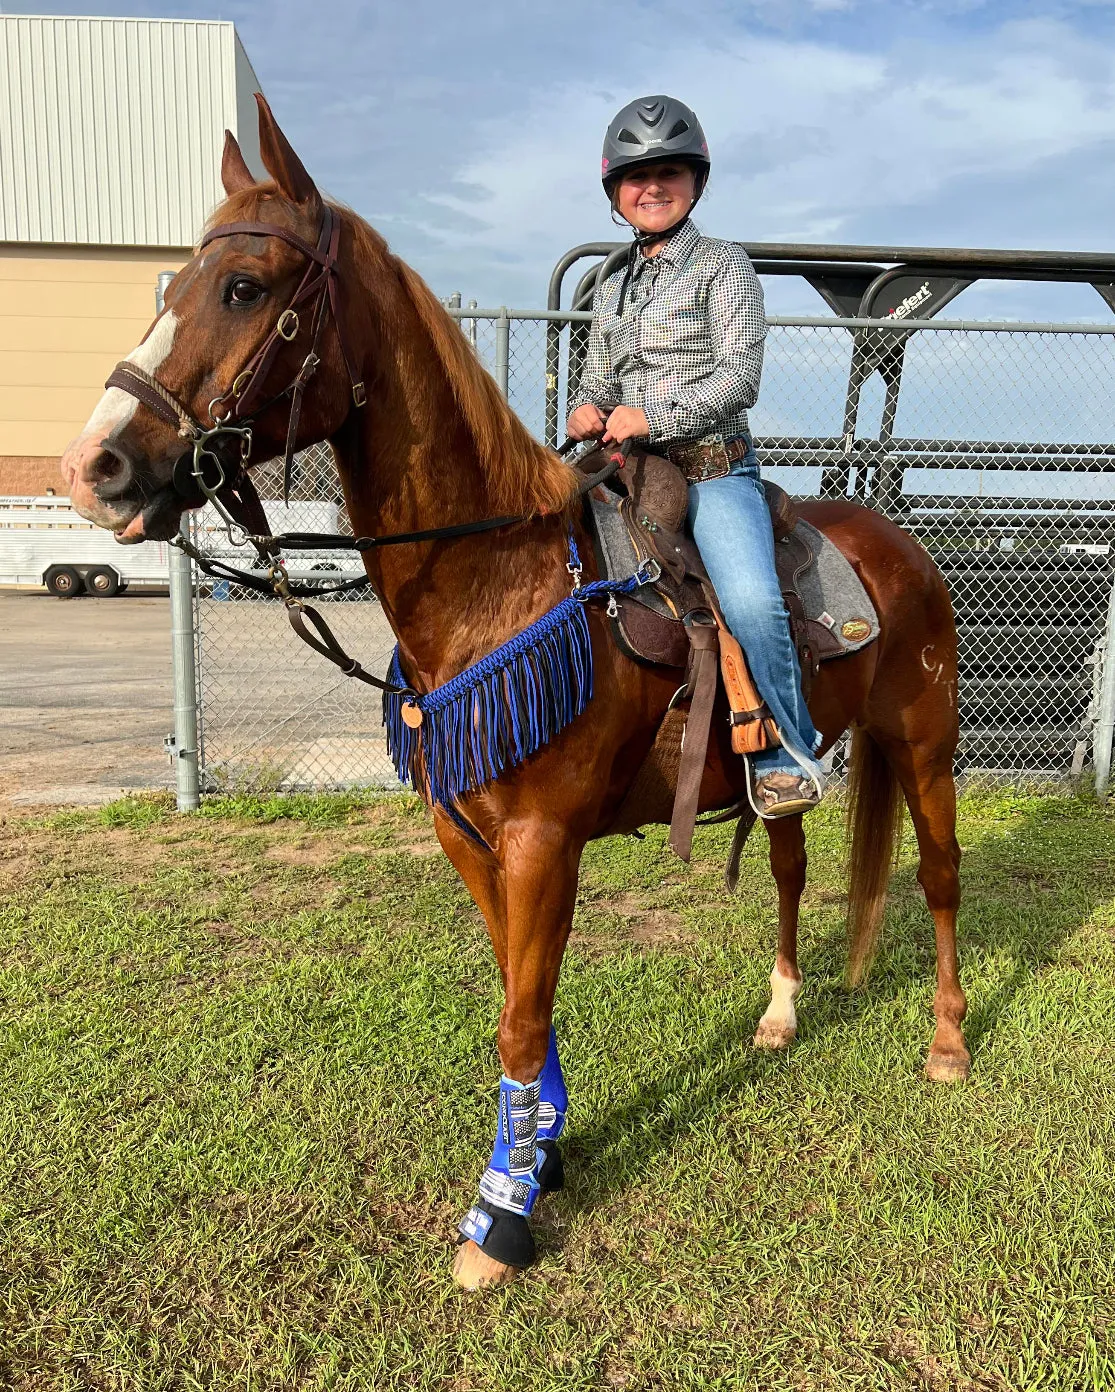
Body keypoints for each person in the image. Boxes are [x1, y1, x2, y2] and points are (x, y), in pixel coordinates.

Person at [566, 95, 824, 818]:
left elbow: (739, 375)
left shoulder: (723, 266)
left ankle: (788, 753)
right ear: (615, 190)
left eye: (669, 171)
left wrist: (654, 415)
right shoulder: (612, 284)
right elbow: (597, 373)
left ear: (695, 181)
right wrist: (586, 407)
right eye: (636, 175)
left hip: (712, 470)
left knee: (747, 599)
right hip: (625, 470)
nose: (652, 186)